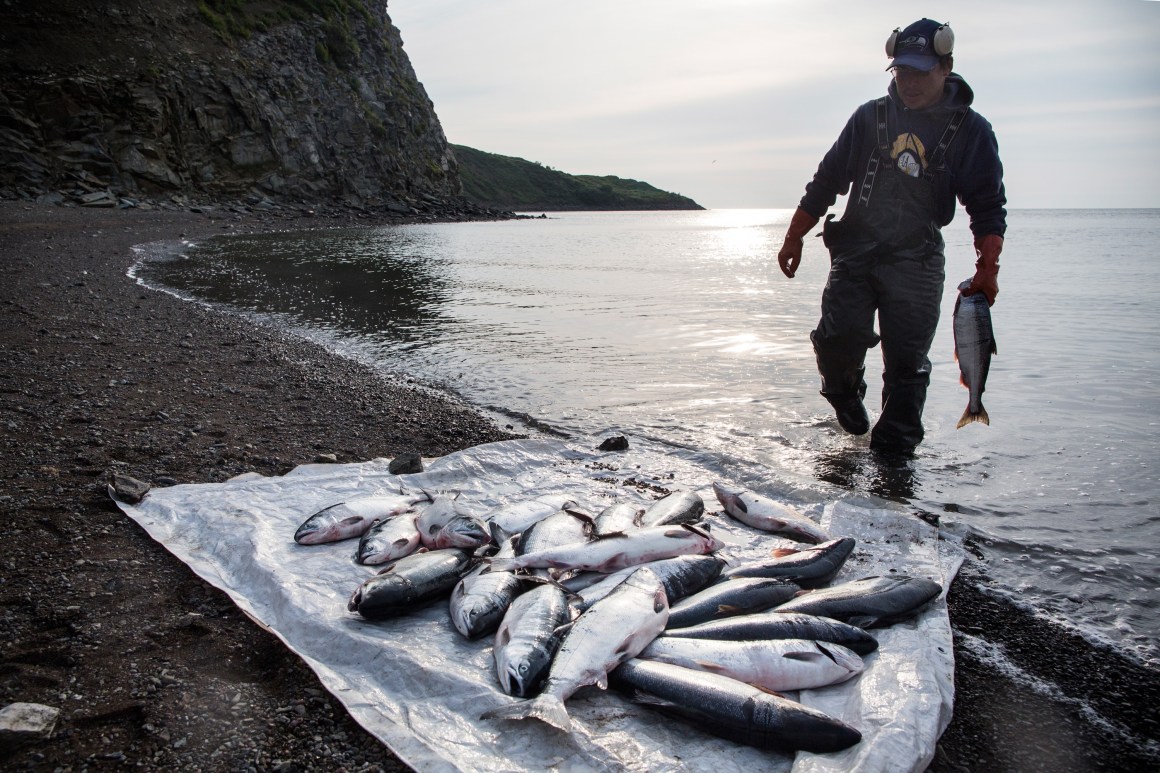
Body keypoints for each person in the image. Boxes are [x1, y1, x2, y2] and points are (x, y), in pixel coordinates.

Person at [777, 18, 1006, 456]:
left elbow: (988, 207)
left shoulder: (971, 131)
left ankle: (895, 469)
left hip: (917, 261)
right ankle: (843, 393)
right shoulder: (870, 118)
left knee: (907, 367)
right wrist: (794, 237)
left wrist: (987, 268)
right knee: (836, 339)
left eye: (921, 71)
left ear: (946, 66)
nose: (910, 82)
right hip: (855, 251)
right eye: (902, 71)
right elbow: (826, 181)